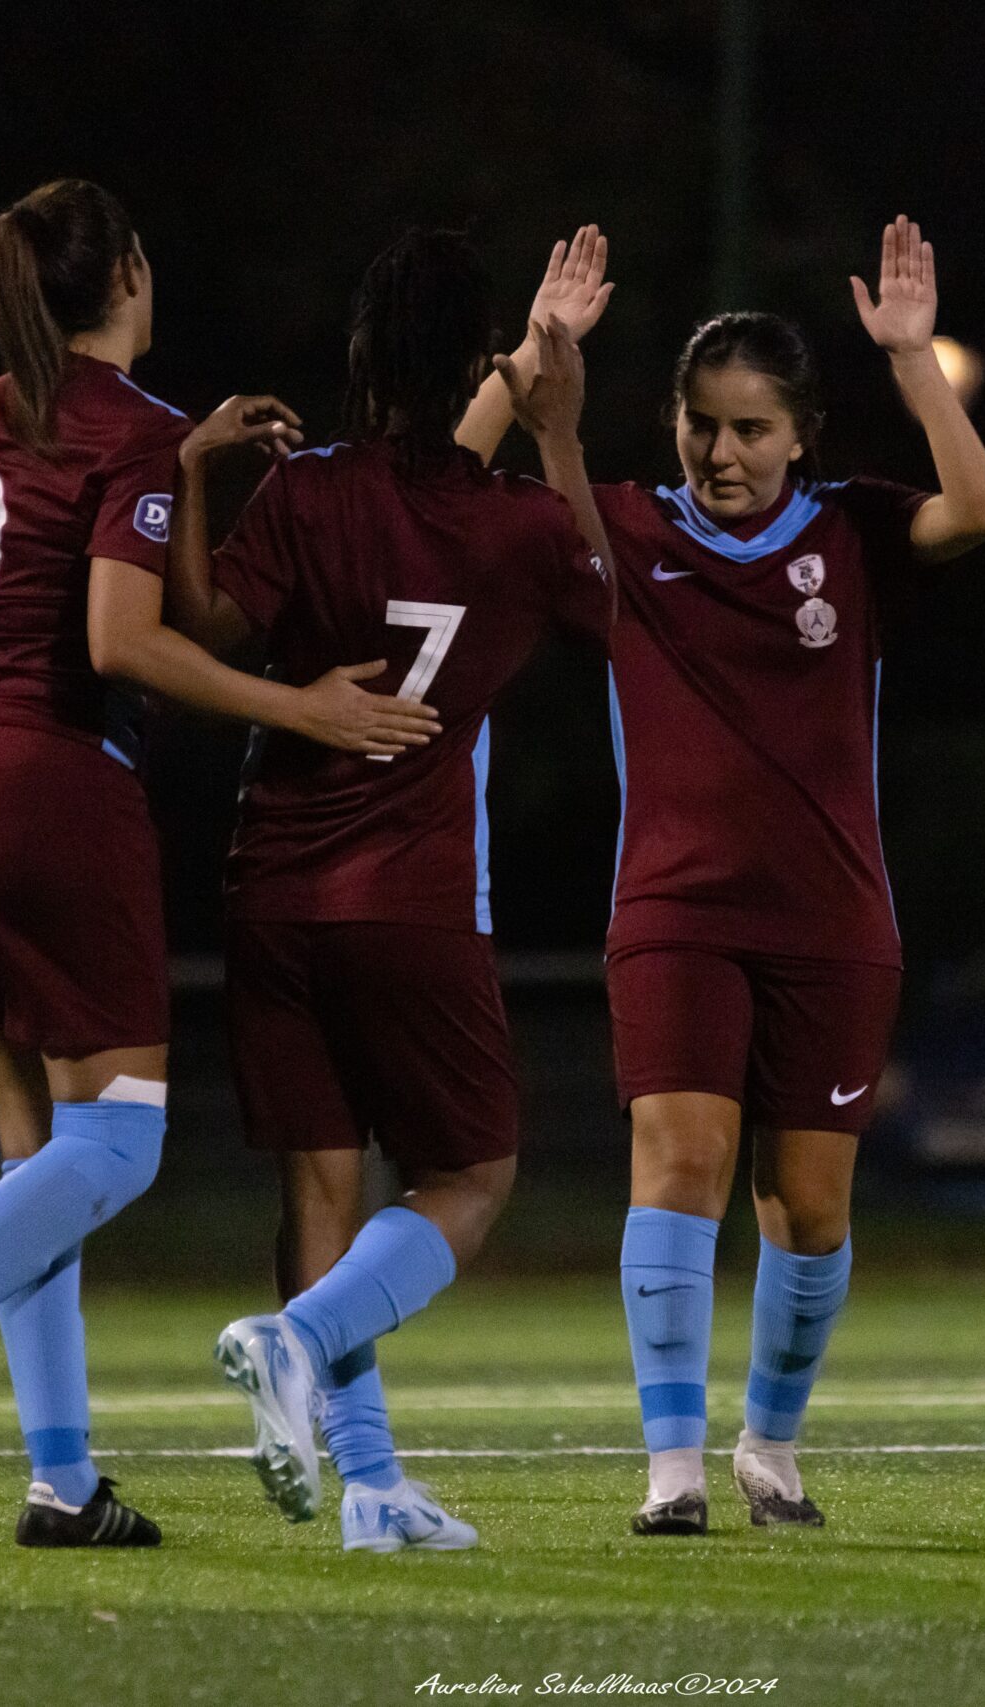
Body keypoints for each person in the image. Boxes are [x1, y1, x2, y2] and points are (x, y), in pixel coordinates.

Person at [0, 178, 440, 1548]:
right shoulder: (131, 435)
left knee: (40, 1154)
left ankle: (61, 1479)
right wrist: (303, 704)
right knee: (124, 1137)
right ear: (132, 276)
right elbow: (119, 642)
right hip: (42, 789)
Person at [458, 216, 985, 1534]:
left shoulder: (856, 535)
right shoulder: (629, 530)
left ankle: (768, 1443)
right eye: (704, 424)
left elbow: (980, 507)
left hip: (832, 919)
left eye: (753, 428)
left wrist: (916, 360)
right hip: (676, 912)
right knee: (681, 1157)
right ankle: (672, 1469)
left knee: (806, 1207)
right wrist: (536, 366)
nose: (723, 452)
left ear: (802, 434)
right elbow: (454, 484)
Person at [171, 229, 614, 1553]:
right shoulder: (521, 521)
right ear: (481, 366)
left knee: (323, 1184)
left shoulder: (305, 493)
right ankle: (296, 1344)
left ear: (362, 365)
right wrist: (564, 422)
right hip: (413, 896)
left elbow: (201, 627)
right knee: (470, 1173)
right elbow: (612, 599)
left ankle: (368, 1489)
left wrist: (190, 473)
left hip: (274, 888)